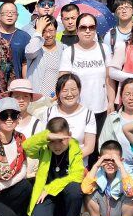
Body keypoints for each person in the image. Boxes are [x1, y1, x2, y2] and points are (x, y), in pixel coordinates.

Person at [58, 12, 116, 152]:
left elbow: (109, 78)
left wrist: (111, 102)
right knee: (79, 148)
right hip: (78, 111)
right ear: (77, 30)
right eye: (83, 27)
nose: (88, 30)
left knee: (98, 149)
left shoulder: (104, 49)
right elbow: (62, 83)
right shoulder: (69, 52)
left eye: (91, 27)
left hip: (101, 109)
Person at [23, 116, 85, 216]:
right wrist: (45, 136)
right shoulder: (44, 147)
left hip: (63, 194)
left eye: (61, 140)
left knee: (74, 188)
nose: (56, 146)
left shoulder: (74, 148)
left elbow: (78, 176)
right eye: (52, 141)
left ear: (69, 135)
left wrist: (50, 188)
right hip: (47, 196)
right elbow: (26, 148)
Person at [80, 140, 133, 216]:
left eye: (114, 160)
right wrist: (96, 165)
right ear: (100, 159)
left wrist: (121, 166)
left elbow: (131, 192)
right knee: (88, 193)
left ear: (121, 160)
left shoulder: (126, 171)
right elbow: (84, 189)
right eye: (106, 160)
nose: (110, 164)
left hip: (119, 213)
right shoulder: (97, 171)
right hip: (104, 212)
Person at [40, 73, 97, 161]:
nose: (69, 94)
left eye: (73, 89)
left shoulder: (88, 114)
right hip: (52, 163)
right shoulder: (49, 112)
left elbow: (89, 147)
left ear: (79, 90)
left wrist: (68, 160)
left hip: (78, 164)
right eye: (65, 90)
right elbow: (42, 140)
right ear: (58, 93)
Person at [99, 77, 133, 174]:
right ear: (121, 96)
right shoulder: (112, 118)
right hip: (119, 168)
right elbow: (103, 145)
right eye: (127, 94)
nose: (131, 98)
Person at [25, 14, 64, 100]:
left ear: (56, 30)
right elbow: (30, 52)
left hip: (55, 99)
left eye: (51, 30)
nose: (48, 35)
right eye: (44, 31)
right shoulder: (35, 47)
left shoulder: (63, 48)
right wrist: (39, 29)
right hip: (36, 100)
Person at [0, 2, 32, 78]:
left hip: (15, 81)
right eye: (6, 12)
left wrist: (25, 82)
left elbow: (25, 63)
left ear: (17, 16)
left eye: (13, 12)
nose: (10, 15)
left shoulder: (25, 37)